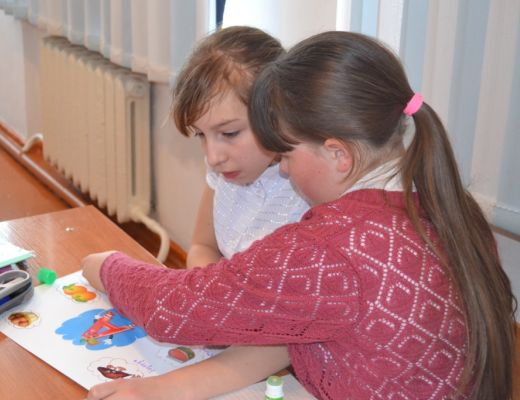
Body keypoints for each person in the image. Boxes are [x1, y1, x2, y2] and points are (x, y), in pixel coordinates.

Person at [83, 31, 517, 400]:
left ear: (338, 154)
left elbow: (172, 310)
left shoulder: (329, 246)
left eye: (287, 152)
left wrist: (106, 265)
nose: (284, 168)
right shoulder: (448, 203)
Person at [171, 25, 308, 268]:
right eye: (201, 134)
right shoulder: (224, 169)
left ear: (276, 113)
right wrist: (212, 286)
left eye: (229, 133)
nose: (213, 157)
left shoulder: (308, 186)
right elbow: (203, 246)